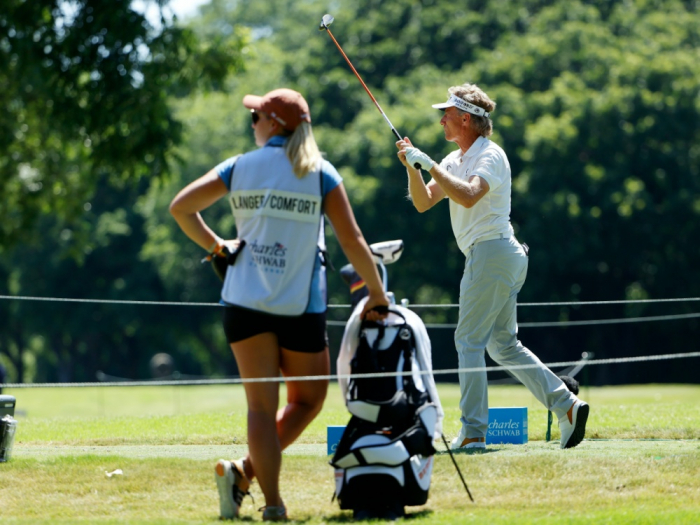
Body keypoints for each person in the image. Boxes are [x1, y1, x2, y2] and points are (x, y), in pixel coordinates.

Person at [170, 88, 390, 521]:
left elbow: (181, 208)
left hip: (242, 300)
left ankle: (270, 502)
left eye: (255, 116)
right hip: (299, 306)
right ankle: (246, 478)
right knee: (307, 400)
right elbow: (353, 240)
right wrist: (377, 293)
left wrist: (218, 247)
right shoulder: (321, 172)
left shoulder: (239, 166)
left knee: (260, 408)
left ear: (273, 124)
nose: (252, 123)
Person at [395, 83, 589, 451]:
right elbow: (422, 203)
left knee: (468, 341)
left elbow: (468, 196)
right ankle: (566, 406)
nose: (441, 121)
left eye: (447, 115)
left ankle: (472, 431)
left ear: (465, 119)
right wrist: (413, 167)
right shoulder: (454, 161)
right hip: (495, 256)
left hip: (493, 252)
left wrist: (429, 163)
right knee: (503, 345)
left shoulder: (490, 154)